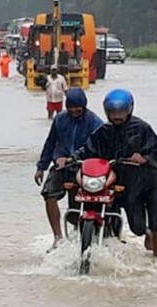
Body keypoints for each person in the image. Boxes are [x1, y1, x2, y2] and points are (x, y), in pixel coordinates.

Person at [71, 89, 157, 258]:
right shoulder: (103, 131)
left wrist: (144, 158)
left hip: (147, 183)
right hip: (119, 182)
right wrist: (73, 159)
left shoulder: (142, 128)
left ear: (129, 110)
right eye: (112, 112)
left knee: (147, 226)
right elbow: (87, 150)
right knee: (111, 217)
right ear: (106, 111)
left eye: (120, 111)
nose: (117, 116)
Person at [34, 88, 103, 252]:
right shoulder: (60, 119)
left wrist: (73, 158)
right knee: (48, 194)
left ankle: (87, 234)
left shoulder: (95, 123)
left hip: (84, 168)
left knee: (77, 206)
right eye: (70, 107)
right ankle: (57, 237)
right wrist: (41, 167)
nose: (73, 111)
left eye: (77, 108)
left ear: (84, 106)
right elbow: (50, 143)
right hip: (60, 165)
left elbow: (94, 148)